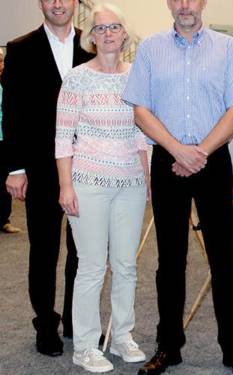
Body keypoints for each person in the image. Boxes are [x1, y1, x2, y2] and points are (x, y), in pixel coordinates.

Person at [121, 0, 233, 374]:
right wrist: (178, 151)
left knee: (223, 260)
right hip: (168, 161)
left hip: (213, 161)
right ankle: (168, 347)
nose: (184, 5)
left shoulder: (226, 47)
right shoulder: (150, 48)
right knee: (169, 261)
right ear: (169, 3)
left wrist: (199, 152)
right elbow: (140, 111)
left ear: (203, 3)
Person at [54, 3, 149, 372]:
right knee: (92, 267)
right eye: (100, 29)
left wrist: (148, 181)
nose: (107, 34)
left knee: (126, 265)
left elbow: (143, 135)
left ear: (124, 34)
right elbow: (63, 137)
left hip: (131, 183)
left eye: (114, 27)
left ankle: (122, 336)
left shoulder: (138, 76)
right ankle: (85, 346)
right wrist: (66, 186)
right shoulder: (76, 78)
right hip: (88, 183)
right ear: (90, 37)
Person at [1, 0, 94, 357]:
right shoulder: (21, 48)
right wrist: (15, 167)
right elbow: (12, 111)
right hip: (40, 169)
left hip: (86, 166)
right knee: (43, 251)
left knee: (82, 249)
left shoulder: (91, 45)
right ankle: (45, 323)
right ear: (41, 3)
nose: (57, 3)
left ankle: (75, 317)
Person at [0, 48, 21, 234]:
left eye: (0, 61)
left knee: (4, 182)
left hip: (4, 141)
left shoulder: (6, 84)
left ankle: (3, 220)